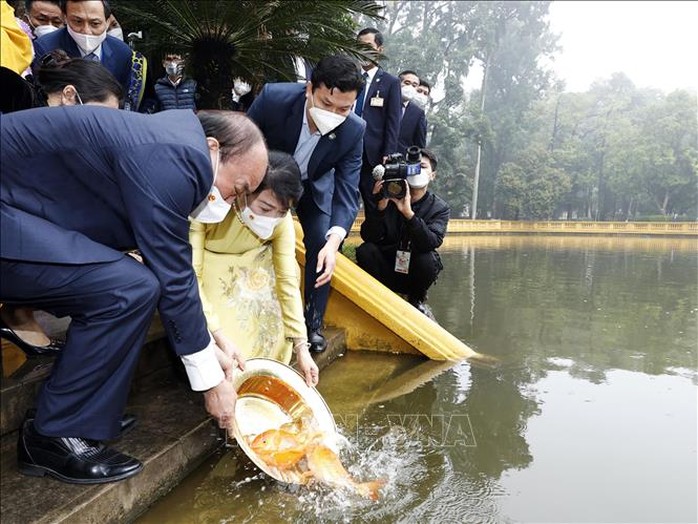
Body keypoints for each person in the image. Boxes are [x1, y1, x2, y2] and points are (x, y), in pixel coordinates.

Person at [1, 107, 268, 484]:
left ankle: (84, 411)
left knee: (134, 283)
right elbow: (175, 277)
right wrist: (211, 383)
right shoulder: (178, 157)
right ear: (213, 147)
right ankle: (55, 434)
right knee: (126, 289)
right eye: (237, 190)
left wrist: (208, 346)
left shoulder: (169, 141)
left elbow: (170, 271)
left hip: (18, 209)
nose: (231, 203)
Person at [1, 51, 122, 355]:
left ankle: (20, 310)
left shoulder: (68, 142)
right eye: (101, 118)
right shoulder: (13, 98)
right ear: (70, 95)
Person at [247, 54, 365, 353]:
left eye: (344, 108)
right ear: (310, 89)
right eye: (327, 104)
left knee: (321, 241)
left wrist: (334, 240)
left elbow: (348, 190)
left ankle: (312, 324)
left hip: (313, 186)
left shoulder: (354, 129)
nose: (334, 114)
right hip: (266, 177)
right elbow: (243, 143)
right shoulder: (274, 98)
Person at [190, 151, 319, 386]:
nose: (272, 218)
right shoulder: (209, 206)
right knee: (229, 339)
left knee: (285, 272)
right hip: (210, 267)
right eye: (266, 208)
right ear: (245, 193)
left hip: (254, 268)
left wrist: (302, 347)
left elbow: (287, 278)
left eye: (282, 211)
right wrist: (217, 334)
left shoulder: (281, 221)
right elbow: (191, 273)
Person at [356, 148, 449, 314]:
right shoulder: (389, 193)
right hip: (387, 264)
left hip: (414, 271)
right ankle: (379, 295)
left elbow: (431, 242)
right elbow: (368, 236)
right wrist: (380, 208)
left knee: (428, 260)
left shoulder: (439, 208)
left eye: (423, 166)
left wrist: (409, 214)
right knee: (366, 250)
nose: (417, 170)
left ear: (432, 175)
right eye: (414, 165)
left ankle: (417, 298)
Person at [32, 0, 132, 95]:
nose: (86, 31)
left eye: (95, 24)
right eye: (78, 22)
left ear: (108, 21)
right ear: (65, 17)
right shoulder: (45, 48)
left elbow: (122, 97)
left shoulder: (122, 53)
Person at [355, 27, 402, 215]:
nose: (362, 50)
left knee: (372, 200)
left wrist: (388, 152)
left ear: (379, 49)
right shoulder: (349, 77)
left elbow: (393, 121)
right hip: (345, 148)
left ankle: (374, 242)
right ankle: (336, 242)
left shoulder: (390, 82)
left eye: (368, 46)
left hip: (372, 155)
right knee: (341, 195)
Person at [397, 69, 427, 154]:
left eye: (414, 85)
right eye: (407, 83)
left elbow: (419, 145)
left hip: (401, 160)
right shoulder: (385, 103)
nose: (410, 87)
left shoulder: (418, 113)